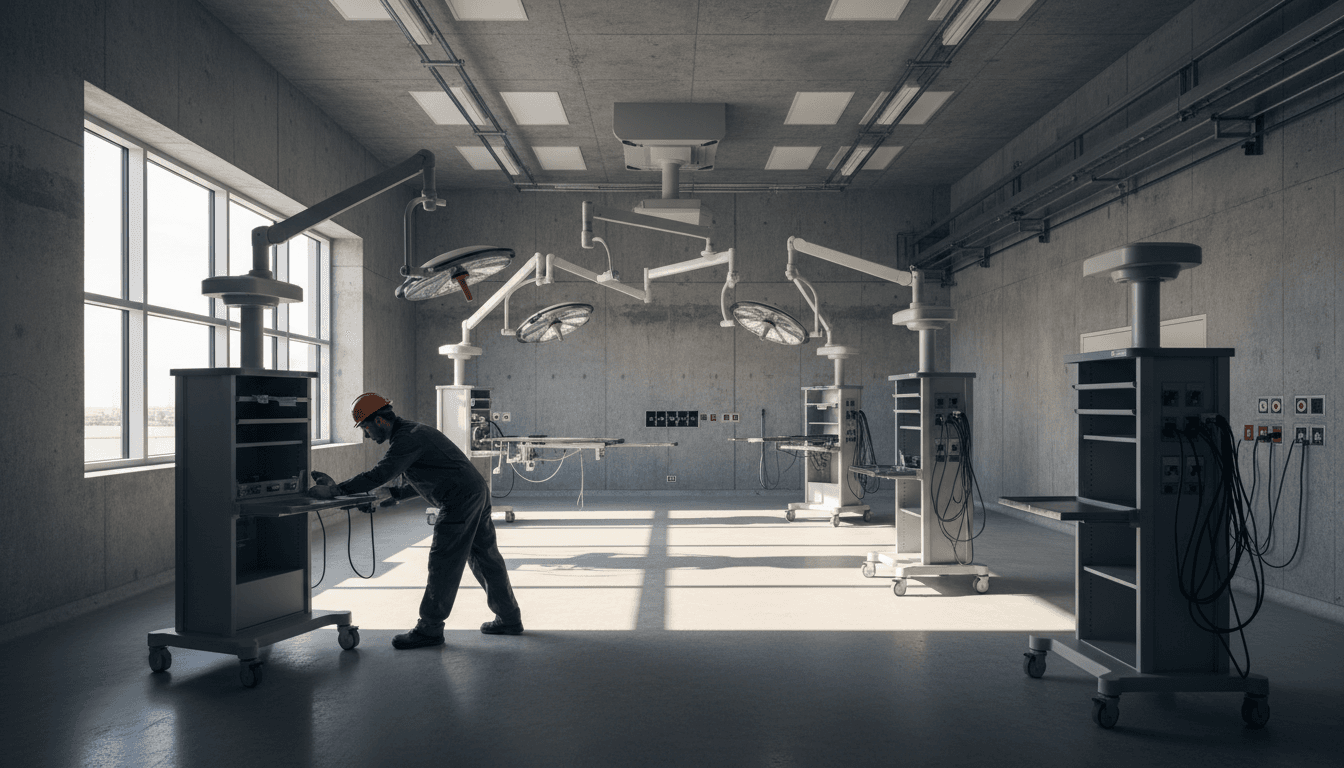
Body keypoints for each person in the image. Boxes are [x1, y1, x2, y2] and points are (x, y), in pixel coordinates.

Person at [310, 392, 523, 649]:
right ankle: (509, 617)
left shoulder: (407, 439)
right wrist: (396, 494)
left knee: (443, 560)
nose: (366, 435)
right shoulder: (412, 433)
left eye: (366, 428)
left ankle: (430, 628)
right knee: (485, 557)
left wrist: (337, 490)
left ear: (379, 421)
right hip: (474, 491)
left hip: (459, 500)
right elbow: (430, 474)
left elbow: (381, 473)